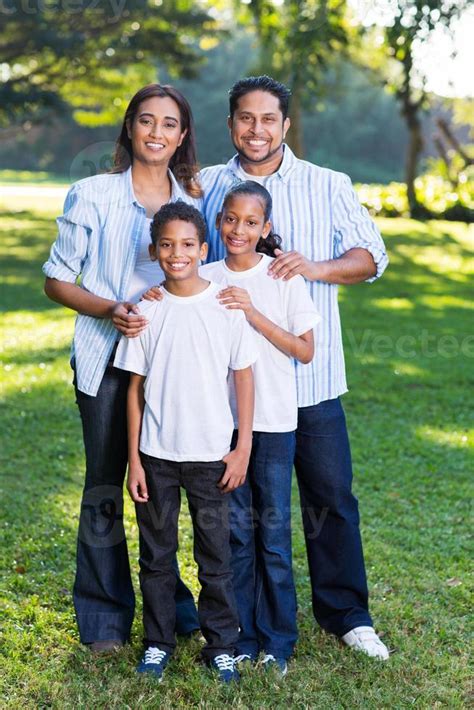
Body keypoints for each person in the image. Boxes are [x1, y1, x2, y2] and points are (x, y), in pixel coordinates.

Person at [199, 75, 390, 660]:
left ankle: (347, 615)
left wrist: (312, 267)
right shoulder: (207, 185)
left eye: (268, 119)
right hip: (236, 390)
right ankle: (243, 624)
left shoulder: (327, 184)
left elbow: (370, 258)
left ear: (286, 126)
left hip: (312, 376)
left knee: (330, 496)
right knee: (245, 516)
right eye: (245, 118)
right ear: (231, 124)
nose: (256, 130)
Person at [42, 84, 202, 651]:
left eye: (169, 124)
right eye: (146, 121)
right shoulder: (91, 195)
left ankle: (177, 605)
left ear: (182, 136)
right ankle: (105, 617)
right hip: (107, 360)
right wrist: (112, 308)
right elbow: (56, 280)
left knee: (167, 489)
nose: (156, 133)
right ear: (130, 128)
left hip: (180, 368)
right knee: (108, 485)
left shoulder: (197, 200)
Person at [114, 202, 257, 683]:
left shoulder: (225, 307)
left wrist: (243, 448)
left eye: (188, 244)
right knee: (156, 556)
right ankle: (158, 643)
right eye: (168, 245)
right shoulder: (147, 308)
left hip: (210, 457)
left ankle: (222, 645)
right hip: (156, 457)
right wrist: (133, 459)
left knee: (215, 558)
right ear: (155, 251)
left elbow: (244, 378)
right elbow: (134, 391)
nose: (178, 254)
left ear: (203, 248)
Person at [200, 180, 321, 676]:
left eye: (251, 222)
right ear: (219, 220)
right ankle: (241, 637)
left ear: (265, 227)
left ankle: (278, 640)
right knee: (235, 535)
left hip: (272, 423)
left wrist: (252, 313)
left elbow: (305, 349)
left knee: (271, 534)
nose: (239, 229)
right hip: (220, 427)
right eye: (231, 219)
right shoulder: (203, 276)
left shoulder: (282, 279)